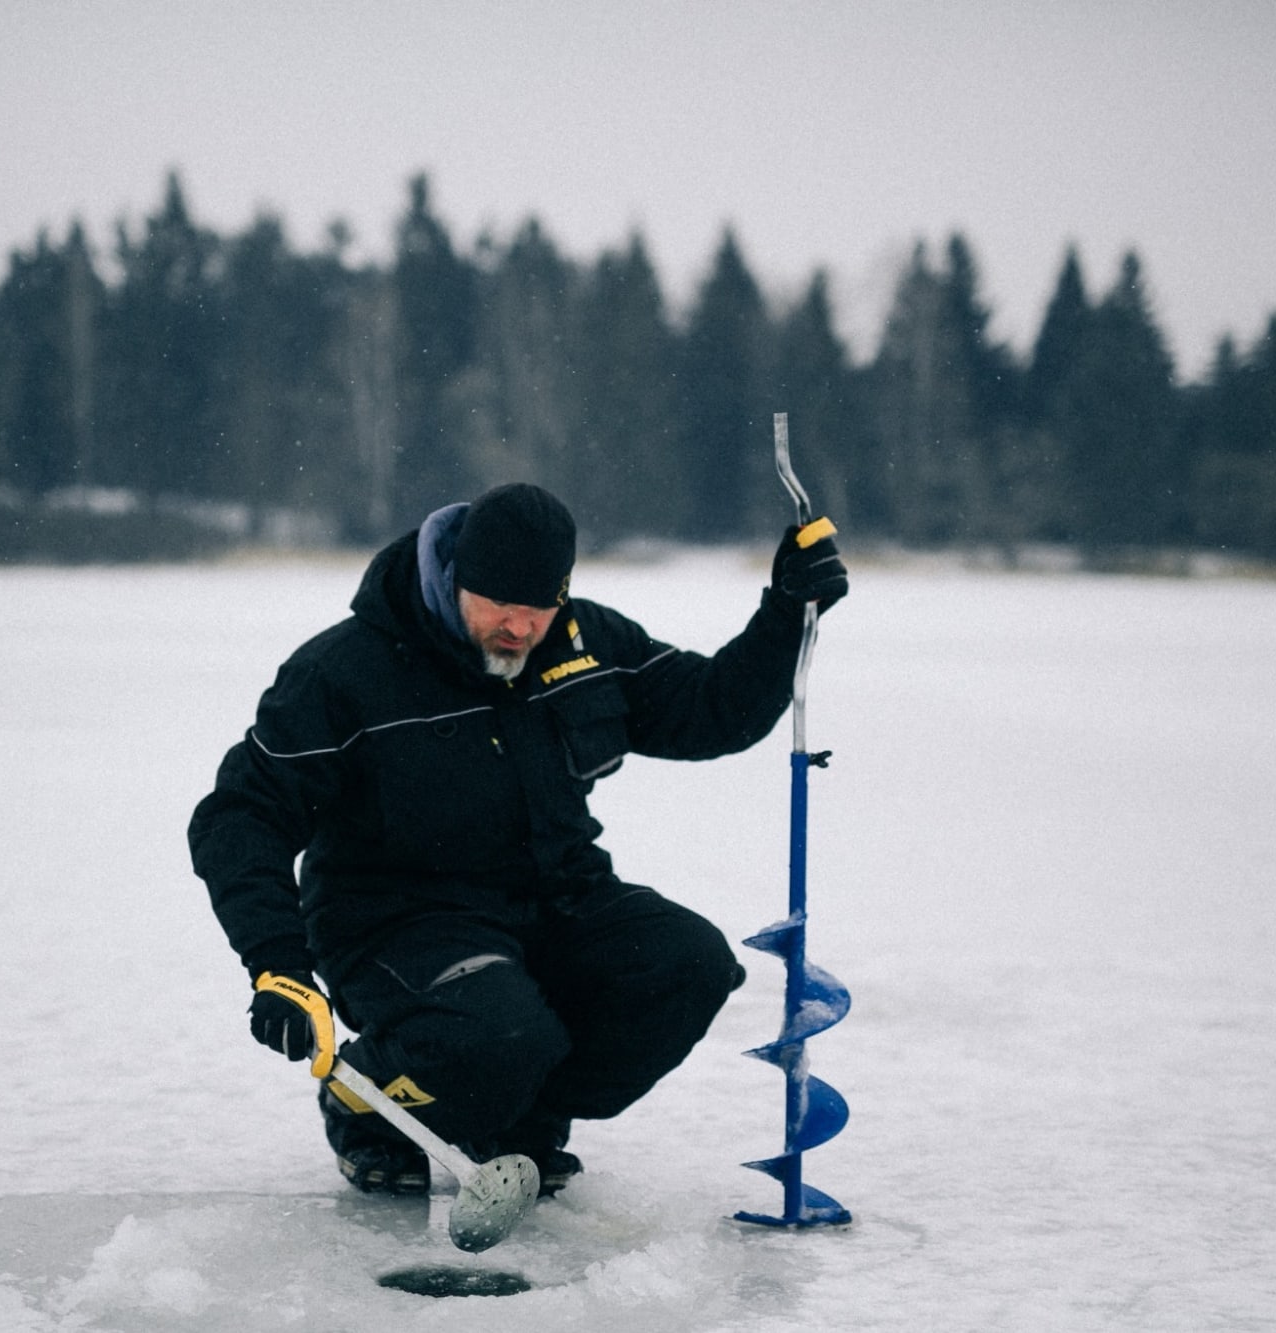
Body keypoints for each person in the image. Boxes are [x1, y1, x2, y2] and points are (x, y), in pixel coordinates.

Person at [188, 482, 848, 1197]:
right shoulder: (344, 674)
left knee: (687, 965)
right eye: (499, 603)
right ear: (453, 578)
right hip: (399, 923)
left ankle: (521, 1118)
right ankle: (366, 1107)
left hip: (558, 896)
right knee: (499, 1032)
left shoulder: (581, 642)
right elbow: (241, 815)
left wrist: (785, 615)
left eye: (540, 606)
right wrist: (277, 964)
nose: (520, 626)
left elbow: (710, 708)